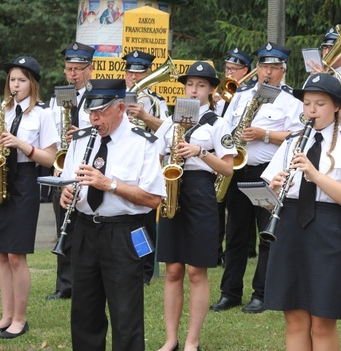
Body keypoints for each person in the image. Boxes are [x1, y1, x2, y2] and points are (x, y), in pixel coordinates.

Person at [261, 73, 341, 350]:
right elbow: (269, 195)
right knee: (294, 318)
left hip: (328, 228)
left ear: (336, 106)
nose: (311, 110)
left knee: (322, 321)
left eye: (319, 104)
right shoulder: (291, 141)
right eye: (307, 103)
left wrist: (315, 174)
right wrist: (273, 188)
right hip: (289, 227)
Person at [59, 79, 165, 350]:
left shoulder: (144, 143)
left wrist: (110, 185)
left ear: (120, 107)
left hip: (123, 232)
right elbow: (71, 181)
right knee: (84, 312)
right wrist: (67, 194)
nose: (94, 119)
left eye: (101, 112)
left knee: (125, 313)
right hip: (84, 229)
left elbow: (153, 199)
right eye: (91, 113)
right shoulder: (82, 139)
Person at [211, 42, 303, 314]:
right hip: (239, 168)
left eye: (274, 68)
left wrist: (264, 135)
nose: (268, 72)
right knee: (236, 233)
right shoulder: (242, 94)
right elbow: (226, 128)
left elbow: (298, 137)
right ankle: (230, 293)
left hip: (269, 172)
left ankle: (261, 294)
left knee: (266, 234)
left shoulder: (291, 99)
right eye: (264, 66)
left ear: (283, 70)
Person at [154, 61, 236, 351]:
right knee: (173, 269)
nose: (194, 89)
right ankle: (171, 339)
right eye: (190, 84)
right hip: (171, 191)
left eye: (201, 85)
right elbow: (156, 155)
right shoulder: (171, 120)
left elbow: (228, 169)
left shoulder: (218, 123)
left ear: (212, 90)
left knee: (196, 271)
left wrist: (200, 152)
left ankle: (192, 340)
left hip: (200, 193)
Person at [0, 57, 58, 339]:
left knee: (16, 255)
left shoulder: (42, 114)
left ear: (32, 83)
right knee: (1, 255)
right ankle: (6, 314)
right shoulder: (4, 111)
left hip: (24, 179)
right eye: (12, 80)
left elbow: (50, 157)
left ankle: (20, 319)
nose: (15, 85)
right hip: (2, 178)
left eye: (21, 80)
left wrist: (21, 143)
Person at [46, 42, 95, 301]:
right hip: (64, 169)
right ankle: (64, 285)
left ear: (90, 68)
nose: (72, 74)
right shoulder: (57, 99)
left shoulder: (99, 97)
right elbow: (53, 136)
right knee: (62, 226)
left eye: (77, 69)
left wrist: (82, 133)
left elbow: (104, 130)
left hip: (88, 169)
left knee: (85, 231)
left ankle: (85, 282)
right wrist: (56, 162)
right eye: (68, 69)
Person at [122, 50, 170, 286]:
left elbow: (166, 128)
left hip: (146, 161)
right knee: (124, 215)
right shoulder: (116, 97)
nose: (133, 76)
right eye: (130, 72)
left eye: (139, 72)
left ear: (148, 73)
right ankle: (125, 262)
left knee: (145, 220)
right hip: (122, 161)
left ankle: (145, 269)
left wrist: (144, 116)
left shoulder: (156, 101)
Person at [215, 48, 254, 266]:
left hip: (242, 157)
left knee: (240, 211)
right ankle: (217, 251)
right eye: (227, 68)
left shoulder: (245, 94)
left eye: (234, 69)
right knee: (220, 203)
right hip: (221, 152)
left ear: (245, 70)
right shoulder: (224, 94)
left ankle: (249, 248)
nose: (229, 73)